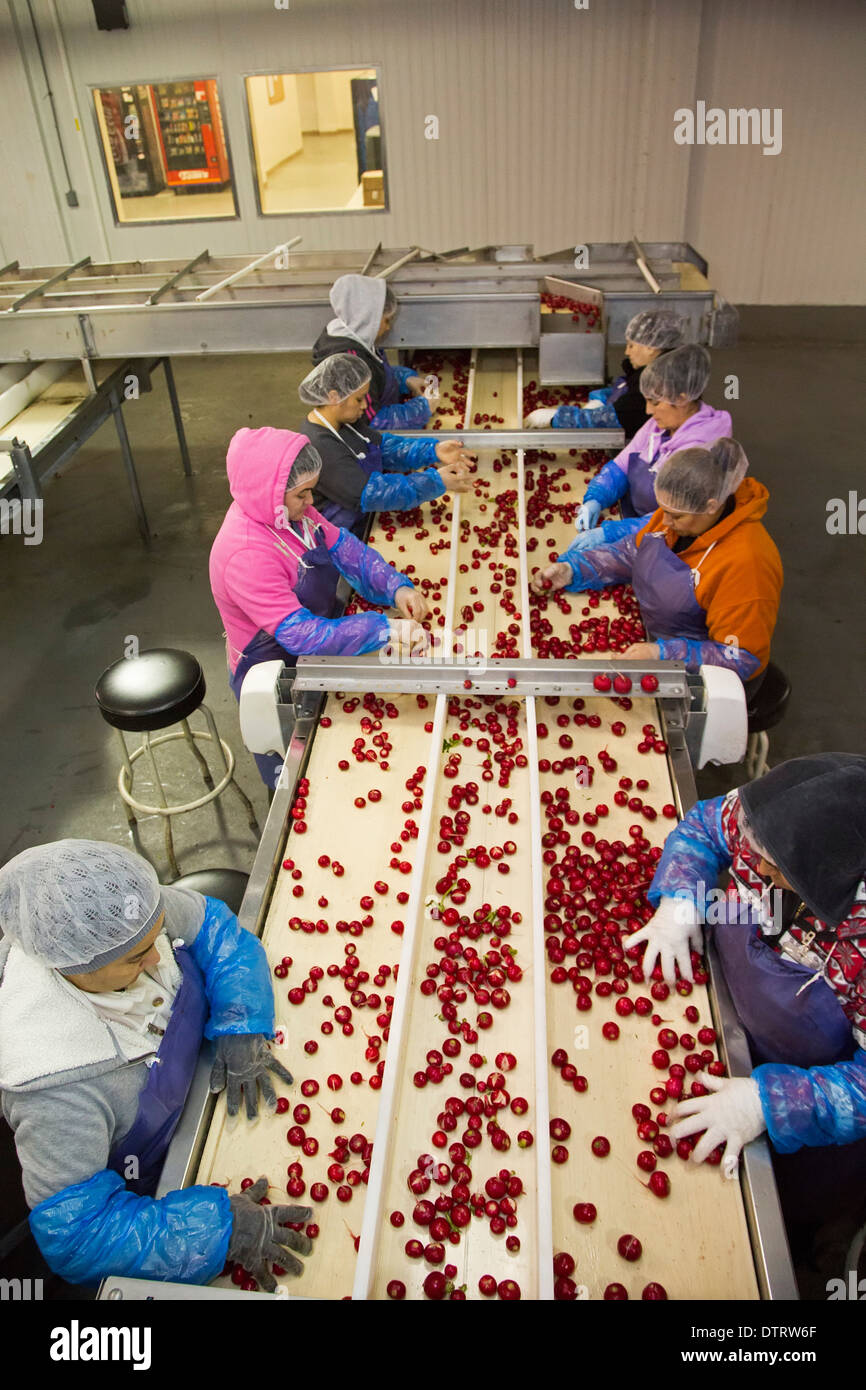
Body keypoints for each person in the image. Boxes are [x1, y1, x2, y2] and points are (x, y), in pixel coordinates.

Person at [0, 839, 312, 1290]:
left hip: (206, 1110)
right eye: (135, 959)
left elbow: (215, 931)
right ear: (76, 970)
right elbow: (77, 1236)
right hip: (153, 1188)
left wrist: (240, 1017)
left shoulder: (127, 913)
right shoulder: (53, 1087)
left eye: (157, 936)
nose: (157, 954)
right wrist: (215, 1232)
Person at [629, 754, 866, 1229]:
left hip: (811, 1091)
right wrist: (681, 896)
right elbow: (704, 829)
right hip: (725, 1024)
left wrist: (772, 1104)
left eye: (771, 868)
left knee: (782, 1205)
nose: (752, 864)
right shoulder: (773, 817)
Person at [209, 428, 429, 787]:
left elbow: (345, 548)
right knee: (299, 774)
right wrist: (381, 628)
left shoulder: (293, 514)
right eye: (302, 494)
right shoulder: (245, 554)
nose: (311, 502)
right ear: (270, 494)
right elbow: (301, 635)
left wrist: (394, 586)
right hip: (274, 671)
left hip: (322, 643)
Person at [531, 439, 782, 688]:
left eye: (676, 516)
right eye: (663, 510)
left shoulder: (747, 562)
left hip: (707, 681)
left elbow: (739, 656)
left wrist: (663, 654)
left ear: (710, 506)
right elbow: (633, 552)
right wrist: (573, 569)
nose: (666, 521)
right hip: (652, 635)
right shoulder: (679, 516)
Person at [568, 344, 733, 550]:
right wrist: (596, 498)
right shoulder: (661, 424)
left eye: (655, 403)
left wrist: (609, 533)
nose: (647, 410)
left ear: (682, 399)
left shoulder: (699, 451)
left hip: (667, 543)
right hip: (632, 518)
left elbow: (672, 521)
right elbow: (622, 465)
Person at [299, 353, 475, 533]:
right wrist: (434, 482)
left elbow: (382, 447)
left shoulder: (343, 421)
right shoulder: (321, 446)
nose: (365, 406)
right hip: (343, 532)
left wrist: (433, 450)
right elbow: (373, 494)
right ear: (334, 397)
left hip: (365, 517)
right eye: (359, 399)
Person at [524, 309, 686, 438]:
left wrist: (556, 418)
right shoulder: (656, 370)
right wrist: (604, 397)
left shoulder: (656, 385)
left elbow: (613, 419)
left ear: (650, 347)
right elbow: (626, 387)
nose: (626, 352)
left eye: (631, 346)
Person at [311, 273, 431, 430]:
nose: (388, 327)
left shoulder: (356, 335)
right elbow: (373, 421)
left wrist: (403, 380)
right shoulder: (349, 362)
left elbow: (375, 373)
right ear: (368, 320)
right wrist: (421, 409)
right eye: (386, 320)